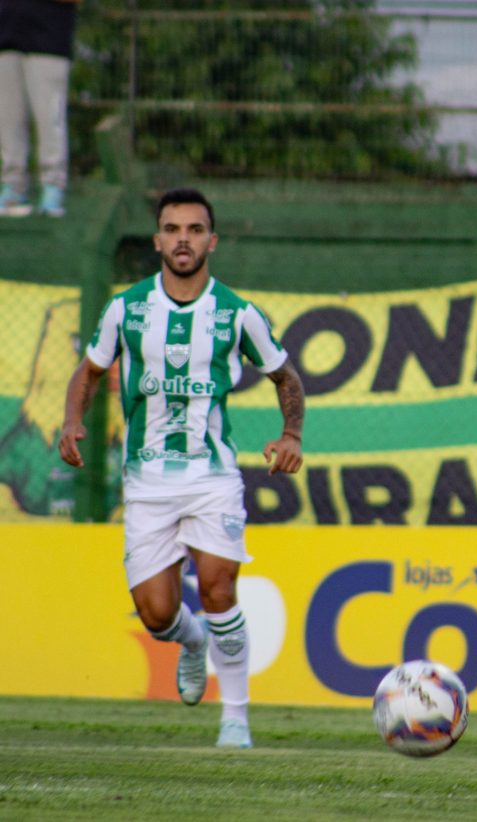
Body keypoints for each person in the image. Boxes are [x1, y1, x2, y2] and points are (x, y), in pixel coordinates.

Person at [59, 187, 306, 749]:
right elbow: (91, 371)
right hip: (146, 482)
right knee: (155, 612)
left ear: (211, 241)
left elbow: (286, 377)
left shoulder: (238, 313)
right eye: (172, 229)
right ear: (157, 241)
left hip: (212, 476)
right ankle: (192, 643)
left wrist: (291, 434)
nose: (183, 239)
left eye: (194, 230)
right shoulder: (126, 308)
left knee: (219, 588)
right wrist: (73, 419)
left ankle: (236, 721)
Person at [0, 0, 79, 217]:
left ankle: (52, 187)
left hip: (49, 39)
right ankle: (13, 188)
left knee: (49, 118)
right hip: (6, 36)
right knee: (8, 120)